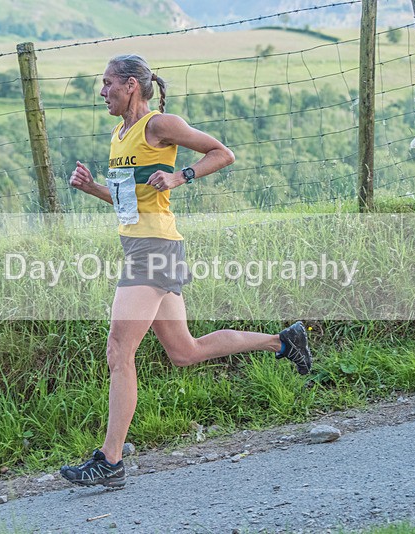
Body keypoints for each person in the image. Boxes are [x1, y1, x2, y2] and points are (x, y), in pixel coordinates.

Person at [60, 54, 312, 489]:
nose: (101, 93)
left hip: (153, 250)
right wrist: (92, 188)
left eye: (107, 84)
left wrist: (182, 176)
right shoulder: (120, 134)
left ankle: (111, 460)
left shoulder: (159, 125)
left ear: (131, 86)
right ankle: (283, 341)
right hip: (143, 243)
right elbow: (131, 205)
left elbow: (223, 153)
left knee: (119, 351)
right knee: (185, 351)